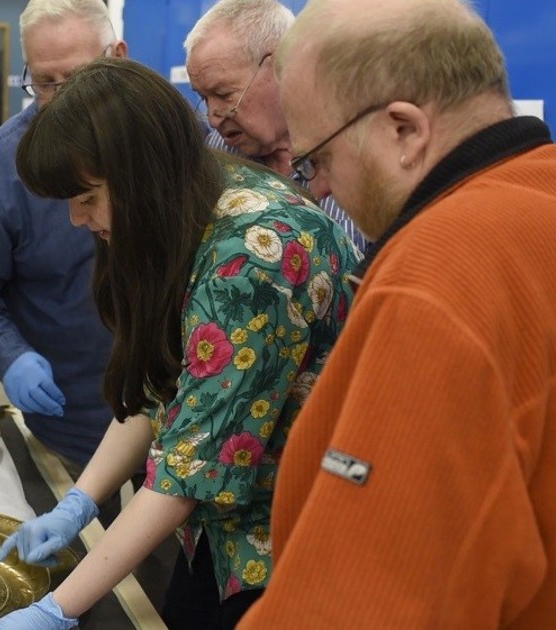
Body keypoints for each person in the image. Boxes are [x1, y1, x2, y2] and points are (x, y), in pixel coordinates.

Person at [0, 57, 358, 630]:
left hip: (290, 551)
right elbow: (164, 389)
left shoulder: (252, 259)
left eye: (88, 198)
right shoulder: (187, 205)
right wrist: (79, 503)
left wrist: (55, 610)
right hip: (221, 536)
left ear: (141, 174)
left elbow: (188, 469)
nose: (77, 220)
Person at [238, 0, 556, 627]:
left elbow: (358, 605)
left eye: (318, 159)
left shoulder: (440, 274)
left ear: (405, 130)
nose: (319, 189)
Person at [0, 0, 127, 471]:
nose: (62, 99)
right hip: (73, 429)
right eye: (45, 83)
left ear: (117, 57)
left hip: (184, 427)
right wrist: (9, 354)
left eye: (78, 80)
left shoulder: (170, 141)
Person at [184, 0, 369, 254]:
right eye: (204, 98)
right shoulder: (215, 157)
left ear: (281, 62)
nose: (213, 117)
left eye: (223, 93)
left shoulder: (362, 148)